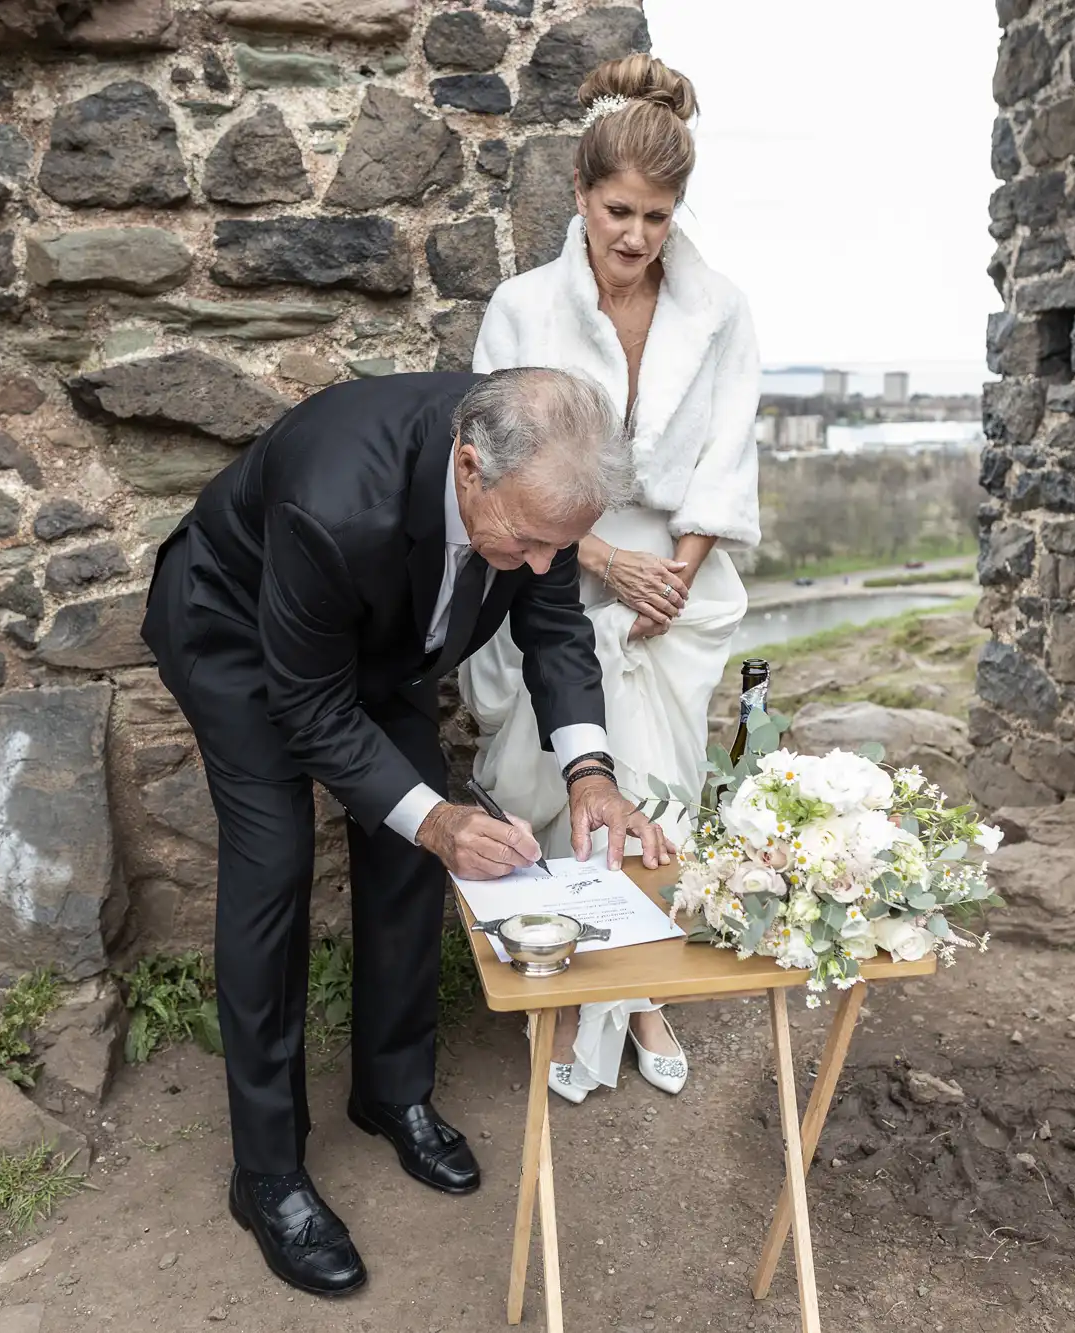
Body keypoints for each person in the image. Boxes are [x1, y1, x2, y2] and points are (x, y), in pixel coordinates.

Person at [142, 368, 673, 1298]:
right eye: (531, 542)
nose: (546, 564)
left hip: (376, 638)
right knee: (275, 867)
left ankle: (392, 1091)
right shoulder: (334, 499)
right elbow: (305, 707)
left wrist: (591, 772)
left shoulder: (536, 492)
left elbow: (554, 624)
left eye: (565, 544)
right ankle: (266, 1170)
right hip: (233, 628)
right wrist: (437, 818)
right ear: (469, 469)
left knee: (413, 855)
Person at [462, 54, 761, 1106]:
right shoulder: (520, 305)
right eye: (617, 209)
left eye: (656, 214)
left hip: (675, 583)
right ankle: (563, 983)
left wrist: (669, 577)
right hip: (551, 564)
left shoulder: (720, 310)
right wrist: (597, 561)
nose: (633, 235)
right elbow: (490, 465)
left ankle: (641, 991)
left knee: (657, 792)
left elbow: (729, 455)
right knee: (558, 780)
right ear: (580, 196)